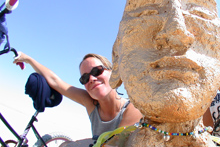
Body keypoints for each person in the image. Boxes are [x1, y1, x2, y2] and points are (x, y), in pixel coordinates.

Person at [13, 52, 142, 137]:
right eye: (85, 78)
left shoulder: (133, 108)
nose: (91, 79)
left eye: (97, 71)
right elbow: (55, 81)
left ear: (113, 73)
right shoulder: (90, 103)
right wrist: (28, 59)